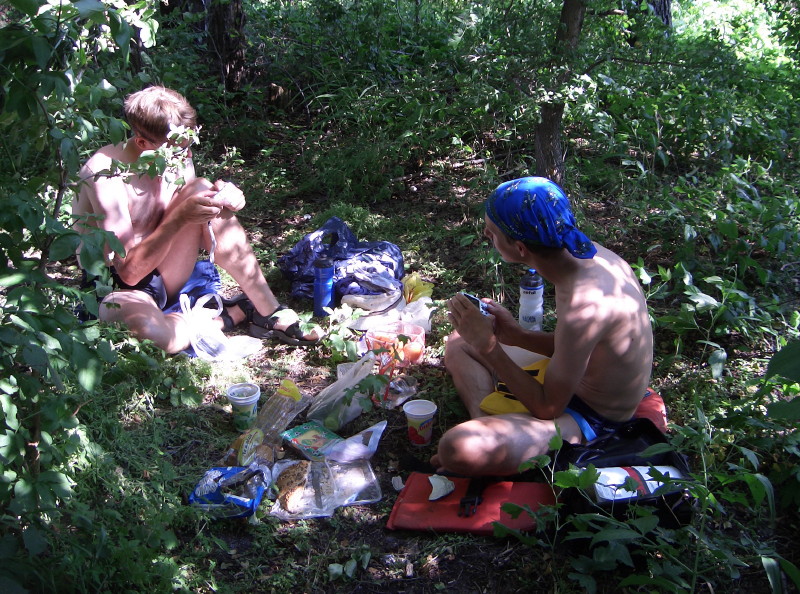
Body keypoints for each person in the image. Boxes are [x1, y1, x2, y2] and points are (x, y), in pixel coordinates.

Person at [72, 85, 322, 354]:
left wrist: (227, 198)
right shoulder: (105, 174)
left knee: (203, 189)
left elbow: (196, 217)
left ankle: (269, 311)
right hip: (118, 284)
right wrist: (180, 218)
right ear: (142, 143)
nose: (187, 155)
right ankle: (228, 316)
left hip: (164, 266)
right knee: (152, 334)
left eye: (189, 145)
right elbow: (129, 274)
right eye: (178, 150)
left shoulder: (176, 155)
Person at [431, 177, 653, 476]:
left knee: (458, 447)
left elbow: (548, 408)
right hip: (571, 378)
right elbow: (578, 346)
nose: (485, 234)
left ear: (520, 248)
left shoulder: (585, 305)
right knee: (460, 340)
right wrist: (517, 336)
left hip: (591, 417)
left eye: (492, 232)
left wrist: (489, 347)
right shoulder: (586, 255)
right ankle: (485, 419)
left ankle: (494, 439)